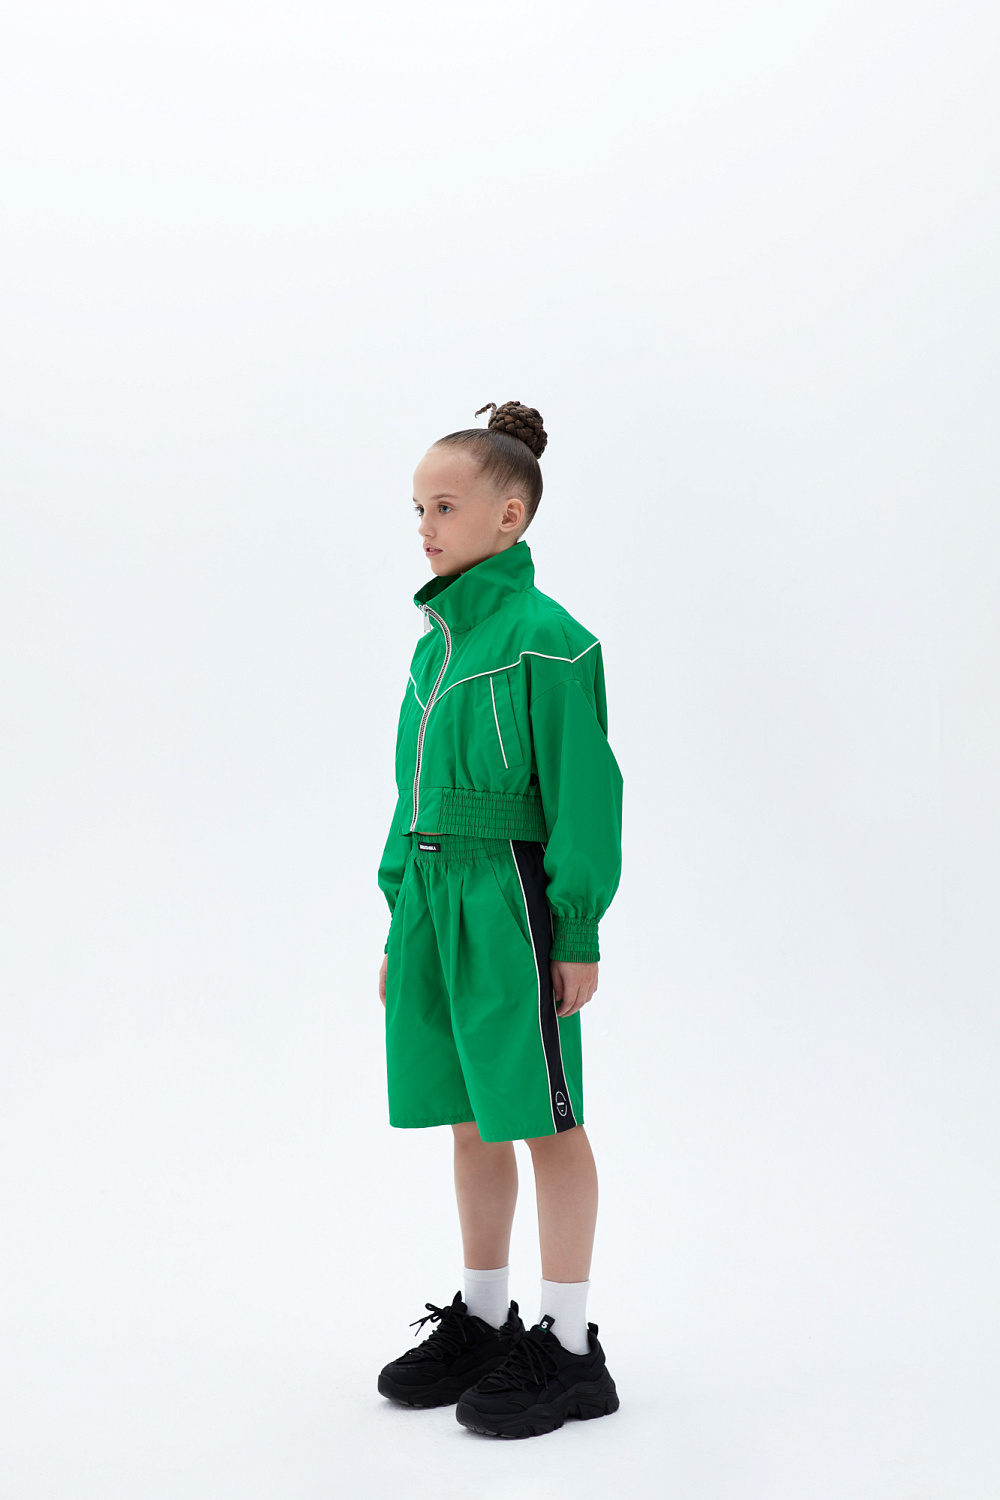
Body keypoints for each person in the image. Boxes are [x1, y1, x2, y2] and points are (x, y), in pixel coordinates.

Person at [375, 400, 624, 1439]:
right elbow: (411, 792)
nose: (424, 526)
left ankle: (568, 1346)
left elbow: (586, 792)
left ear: (508, 517)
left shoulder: (550, 641)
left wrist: (576, 928)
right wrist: (400, 912)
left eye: (445, 506)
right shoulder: (434, 649)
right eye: (417, 509)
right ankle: (484, 1318)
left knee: (544, 1116)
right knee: (471, 1114)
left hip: (512, 896)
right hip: (437, 897)